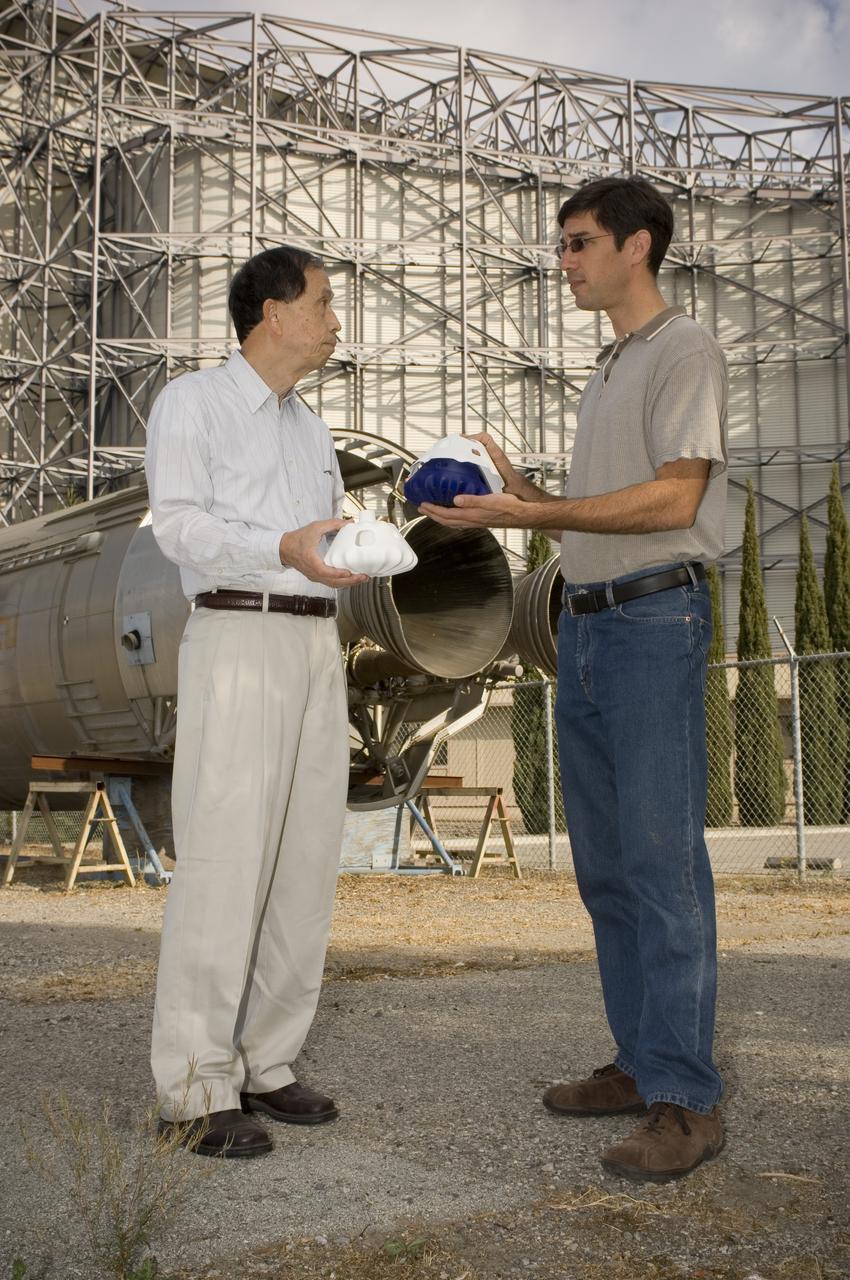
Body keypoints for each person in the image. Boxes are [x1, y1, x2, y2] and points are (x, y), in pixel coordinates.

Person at [421, 177, 728, 1183]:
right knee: (605, 872)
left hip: (652, 620)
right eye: (561, 245)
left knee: (660, 864)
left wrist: (524, 516)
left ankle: (685, 1099)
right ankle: (641, 1063)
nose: (565, 261)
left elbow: (673, 498)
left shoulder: (682, 348)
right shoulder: (609, 367)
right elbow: (600, 513)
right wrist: (527, 500)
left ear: (638, 245)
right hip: (589, 630)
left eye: (579, 242)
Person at [145, 245, 367, 1159]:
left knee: (305, 859)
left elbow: (324, 534)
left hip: (315, 645)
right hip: (236, 634)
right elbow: (181, 524)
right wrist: (283, 546)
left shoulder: (310, 429)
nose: (334, 318)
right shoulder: (191, 404)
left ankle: (266, 1063)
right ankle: (194, 1089)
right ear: (272, 312)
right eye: (322, 302)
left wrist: (365, 542)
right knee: (224, 860)